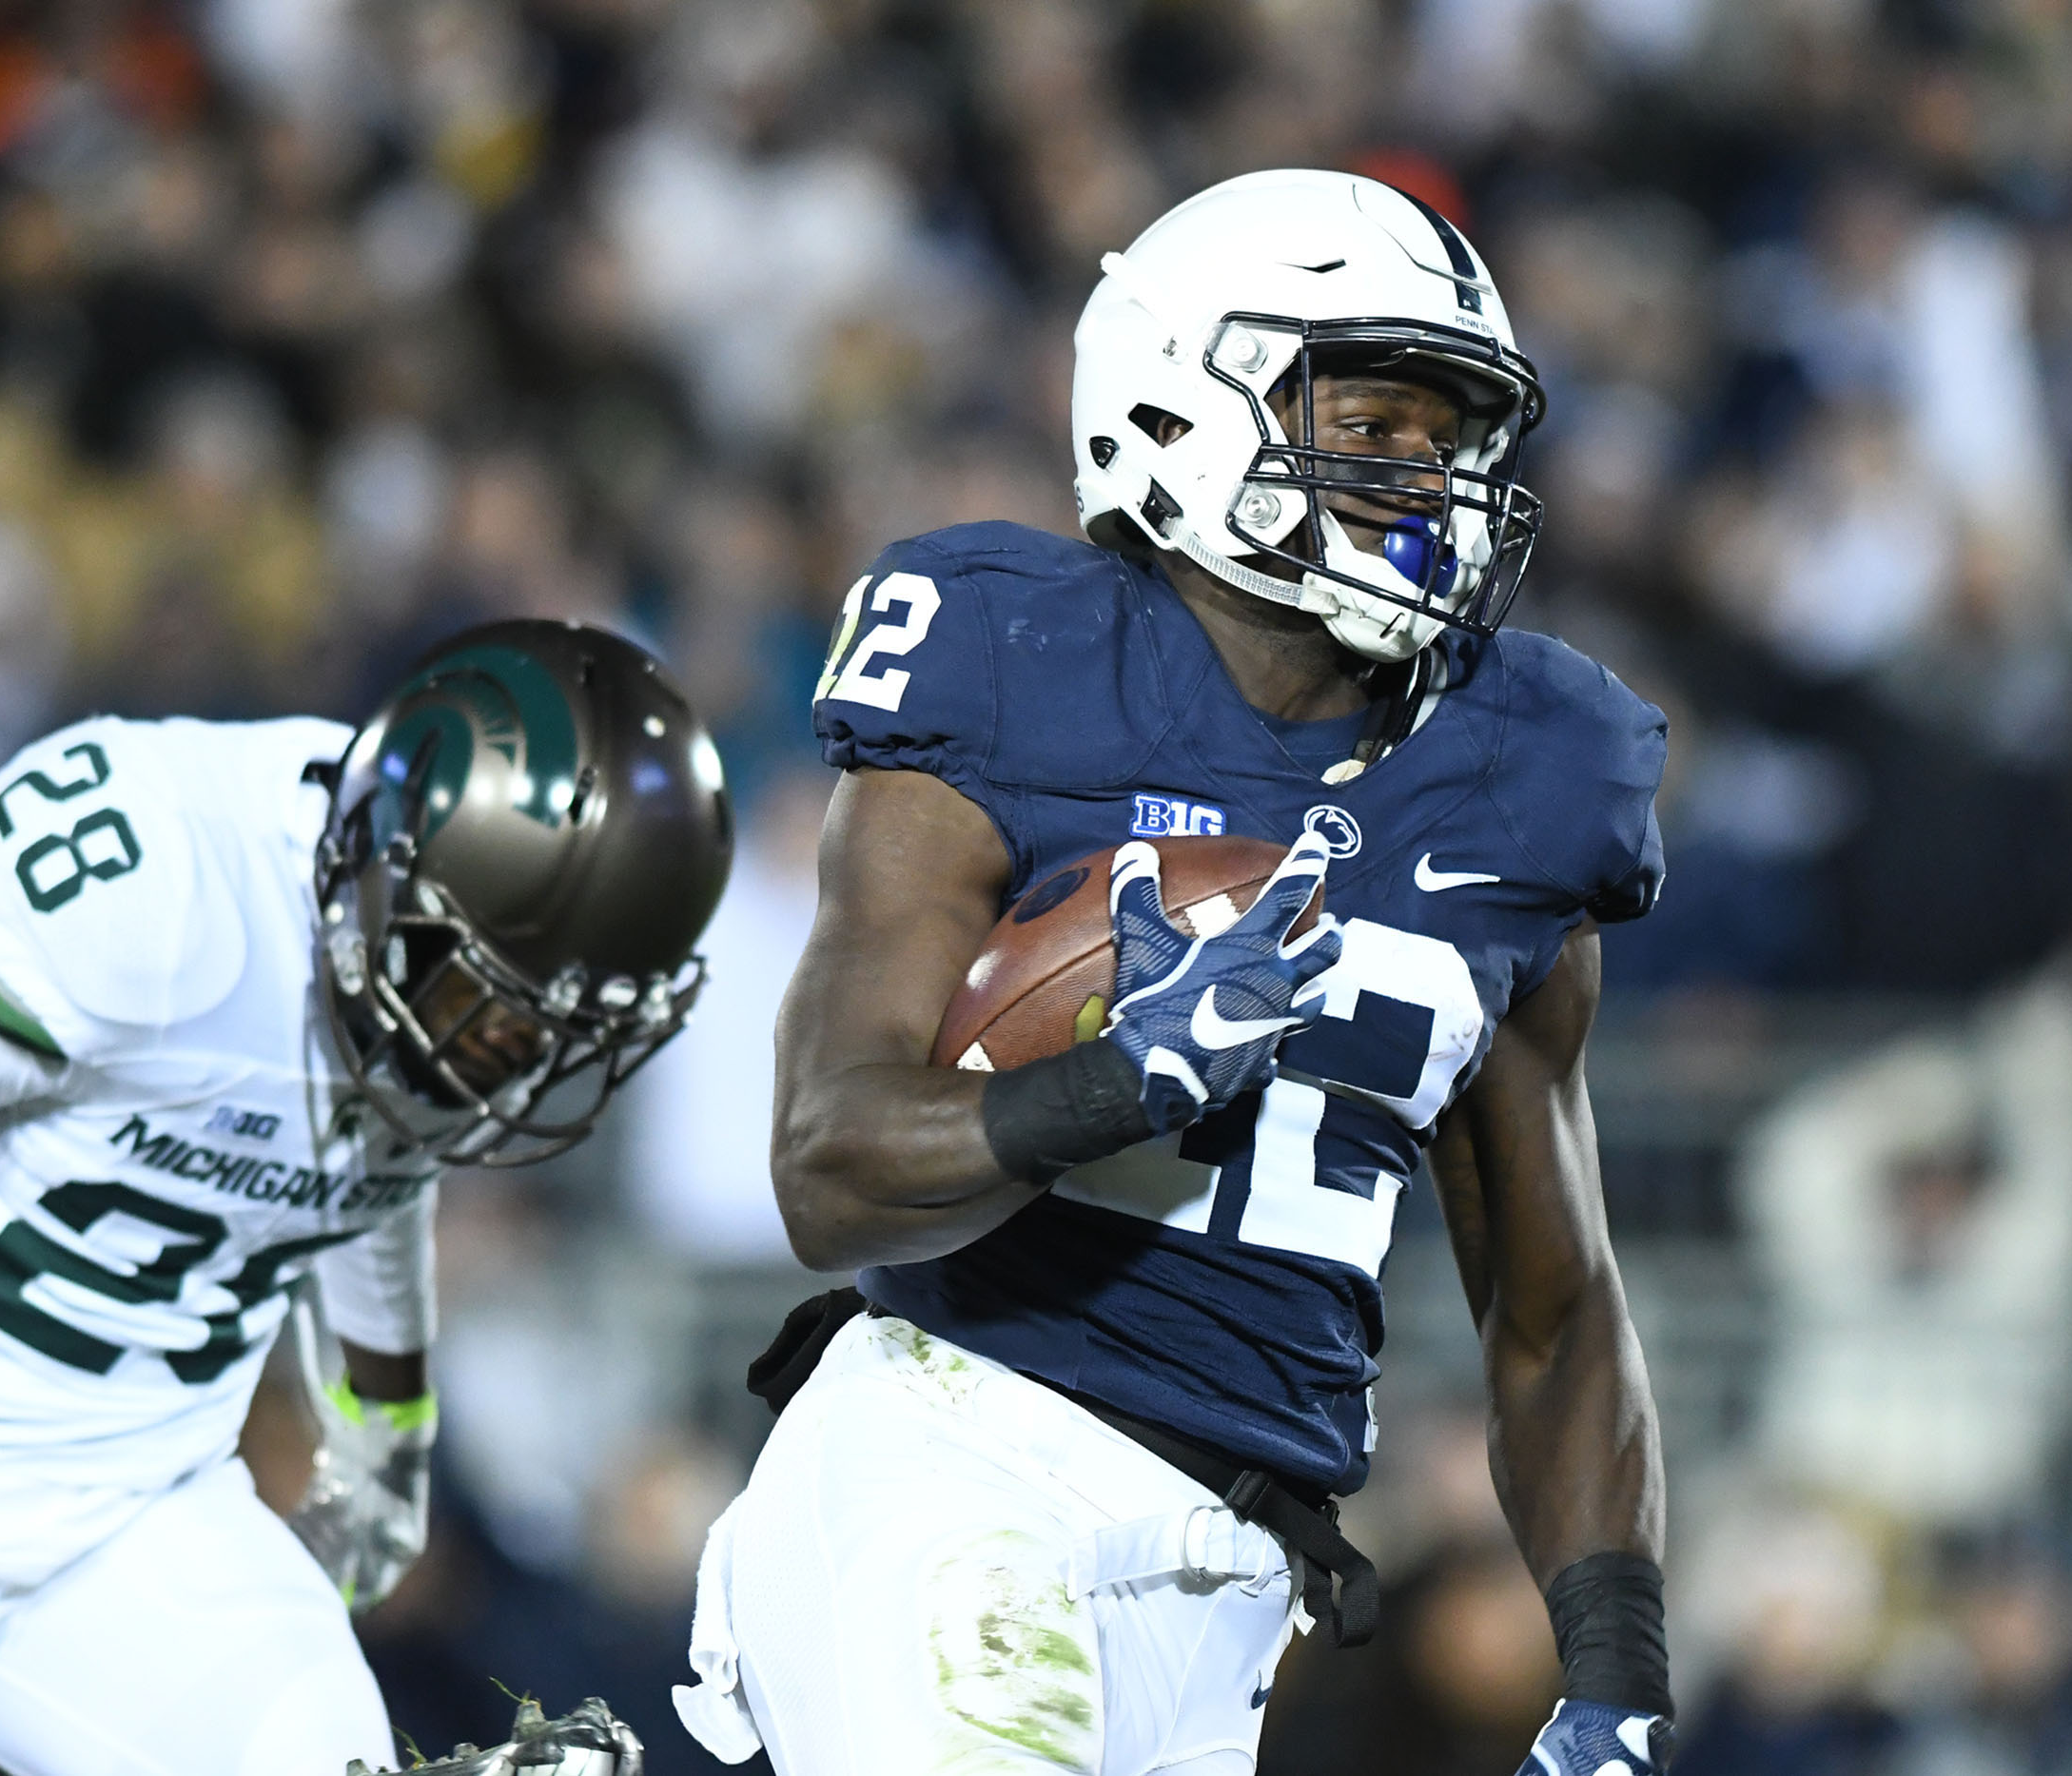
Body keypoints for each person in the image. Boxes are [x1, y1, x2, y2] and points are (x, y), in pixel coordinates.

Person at [673, 170, 1675, 1776]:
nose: (1420, 478)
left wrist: (1618, 1663)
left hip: (1236, 1572)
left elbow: (1553, 1310)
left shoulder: (1535, 767)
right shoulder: (1013, 660)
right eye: (1369, 418)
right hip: (957, 1450)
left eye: (1445, 442)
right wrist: (1117, 1080)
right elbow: (831, 1163)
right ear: (1179, 394)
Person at [0, 620, 732, 1776]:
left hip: (125, 1518)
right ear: (377, 873)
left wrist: (384, 1432)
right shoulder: (153, 876)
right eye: (490, 1002)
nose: (507, 1058)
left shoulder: (414, 971)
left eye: (554, 1029)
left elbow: (373, 1176)